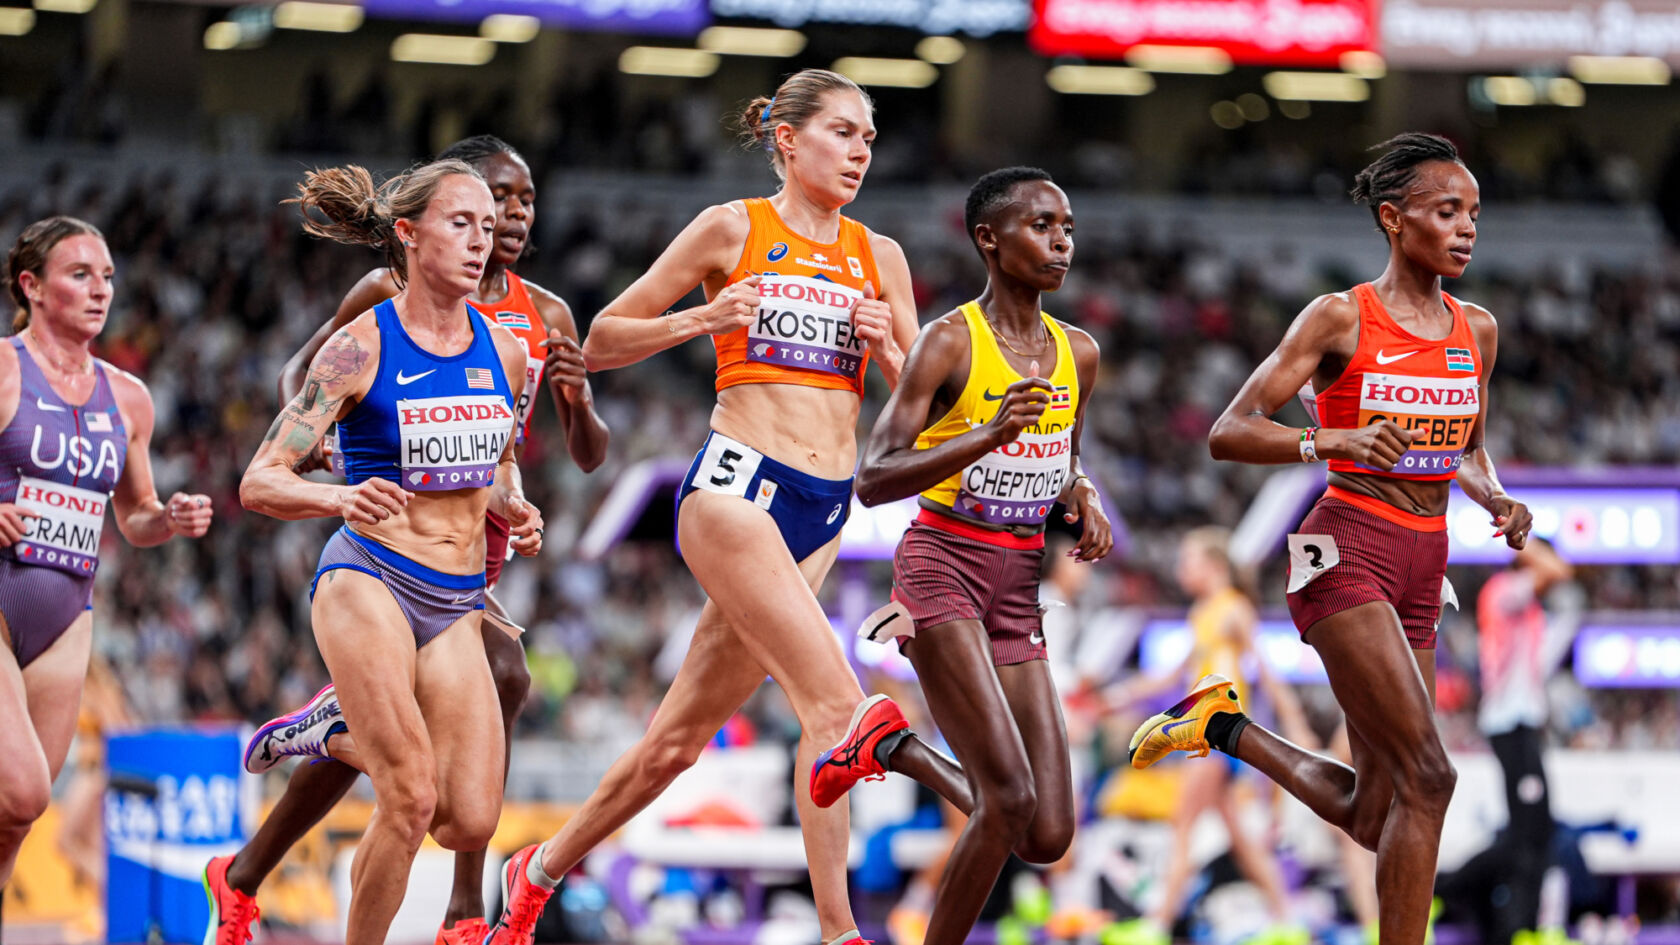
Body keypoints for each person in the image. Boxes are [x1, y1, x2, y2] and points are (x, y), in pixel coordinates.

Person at [485, 69, 967, 945]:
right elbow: (597, 340)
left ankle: (538, 870)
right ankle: (842, 930)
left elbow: (923, 415)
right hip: (735, 487)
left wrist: (889, 348)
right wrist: (706, 320)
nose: (861, 150)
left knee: (677, 743)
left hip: (825, 507)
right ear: (788, 139)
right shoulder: (732, 227)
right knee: (836, 703)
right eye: (842, 133)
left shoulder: (880, 255)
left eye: (868, 136)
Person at [1127, 132, 1533, 945]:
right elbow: (1228, 428)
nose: (1466, 228)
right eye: (1446, 211)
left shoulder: (1476, 330)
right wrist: (1329, 442)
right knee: (1433, 774)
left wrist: (1494, 493)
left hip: (1427, 559)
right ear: (1393, 218)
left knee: (1375, 810)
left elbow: (1468, 446)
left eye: (1474, 214)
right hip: (1346, 549)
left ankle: (1222, 727)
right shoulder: (1340, 316)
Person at [203, 135, 607, 945]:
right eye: (462, 222)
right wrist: (339, 490)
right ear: (410, 234)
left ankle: (335, 729)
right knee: (411, 797)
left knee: (467, 819)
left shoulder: (511, 348)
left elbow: (487, 463)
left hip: (456, 595)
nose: (482, 238)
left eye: (488, 226)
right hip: (370, 579)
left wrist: (512, 506)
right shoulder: (363, 342)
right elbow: (257, 480)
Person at [852, 166, 1108, 945]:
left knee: (1047, 832)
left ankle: (891, 746)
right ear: (989, 239)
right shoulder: (949, 341)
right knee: (1004, 799)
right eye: (1041, 225)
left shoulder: (1079, 353)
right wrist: (985, 434)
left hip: (1018, 583)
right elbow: (872, 478)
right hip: (942, 565)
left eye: (1066, 226)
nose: (1061, 241)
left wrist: (1082, 492)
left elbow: (1063, 450)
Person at [0, 215, 214, 888]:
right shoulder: (5, 367)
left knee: (13, 822)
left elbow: (135, 518)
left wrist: (168, 516)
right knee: (27, 789)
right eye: (80, 275)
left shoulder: (128, 398)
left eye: (108, 278)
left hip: (66, 615)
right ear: (31, 286)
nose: (100, 291)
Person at [1104, 528, 1306, 945]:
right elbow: (1171, 677)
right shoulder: (1203, 613)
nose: (1181, 570)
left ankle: (1158, 925)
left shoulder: (1233, 609)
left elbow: (1267, 673)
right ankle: (1286, 920)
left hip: (1217, 735)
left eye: (1188, 561)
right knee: (1238, 836)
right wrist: (1117, 697)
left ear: (1213, 566)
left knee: (1183, 824)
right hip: (1212, 737)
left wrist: (1297, 722)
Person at [1437, 537, 1579, 945]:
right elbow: (1558, 572)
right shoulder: (1503, 592)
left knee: (1534, 833)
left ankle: (1521, 926)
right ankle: (1453, 896)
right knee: (1525, 837)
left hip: (1521, 725)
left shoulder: (1526, 604)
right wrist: (1524, 539)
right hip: (1509, 725)